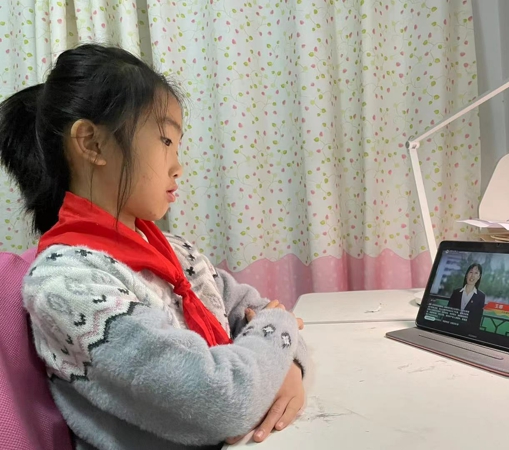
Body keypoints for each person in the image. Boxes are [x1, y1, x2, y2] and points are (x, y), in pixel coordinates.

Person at [0, 44, 310, 450]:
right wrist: (278, 333)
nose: (178, 166)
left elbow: (260, 311)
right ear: (92, 144)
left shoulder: (176, 252)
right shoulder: (66, 283)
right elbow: (222, 399)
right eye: (165, 140)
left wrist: (290, 370)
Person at [447, 263, 486, 332]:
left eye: (476, 273)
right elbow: (447, 313)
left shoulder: (481, 296)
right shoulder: (456, 292)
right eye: (471, 272)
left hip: (467, 333)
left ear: (479, 277)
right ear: (466, 275)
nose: (472, 275)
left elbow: (477, 320)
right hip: (450, 330)